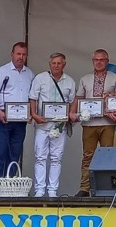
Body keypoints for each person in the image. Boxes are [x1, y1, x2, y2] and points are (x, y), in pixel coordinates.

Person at [69, 48, 116, 197]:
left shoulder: (115, 79)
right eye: (96, 60)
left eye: (102, 60)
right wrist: (72, 113)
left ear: (107, 61)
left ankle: (106, 188)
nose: (99, 62)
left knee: (107, 155)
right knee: (88, 155)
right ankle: (84, 188)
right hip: (89, 124)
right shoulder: (85, 79)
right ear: (93, 61)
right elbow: (78, 98)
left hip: (108, 123)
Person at [0, 41, 34, 195]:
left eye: (24, 54)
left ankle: (10, 189)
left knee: (14, 154)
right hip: (3, 118)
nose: (21, 57)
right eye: (18, 54)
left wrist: (30, 114)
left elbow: (32, 98)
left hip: (20, 122)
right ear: (12, 54)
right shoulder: (3, 71)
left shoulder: (30, 74)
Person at [28, 52, 76, 197]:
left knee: (56, 158)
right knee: (40, 157)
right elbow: (32, 98)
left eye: (59, 63)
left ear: (64, 64)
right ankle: (39, 190)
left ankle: (52, 191)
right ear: (49, 64)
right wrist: (34, 115)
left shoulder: (70, 81)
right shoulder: (40, 78)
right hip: (42, 125)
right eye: (53, 63)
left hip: (59, 126)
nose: (56, 66)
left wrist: (69, 115)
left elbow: (73, 101)